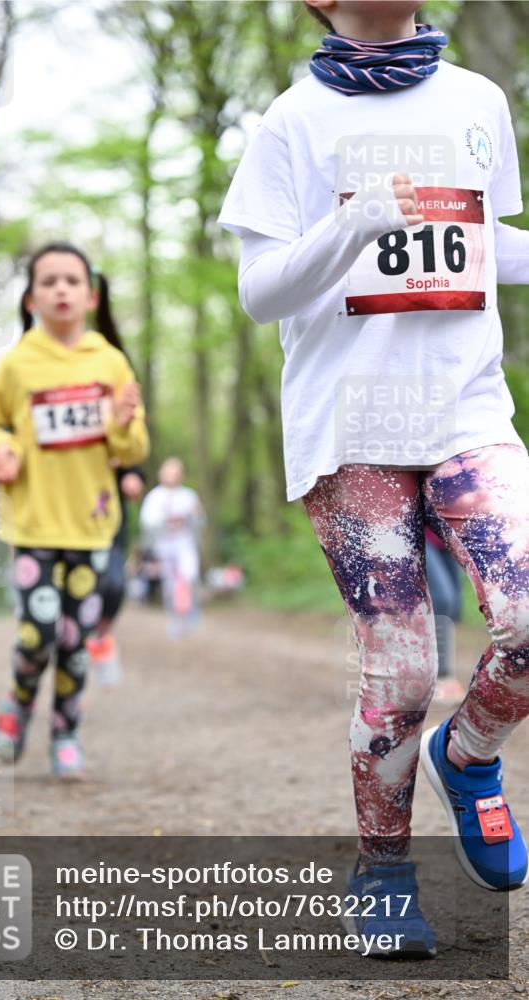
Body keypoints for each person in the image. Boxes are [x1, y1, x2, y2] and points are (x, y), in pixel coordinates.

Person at [219, 0, 529, 956]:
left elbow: (482, 247)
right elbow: (260, 288)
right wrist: (352, 227)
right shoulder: (291, 121)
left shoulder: (476, 97)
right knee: (397, 677)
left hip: (464, 407)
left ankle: (468, 754)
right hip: (351, 425)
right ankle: (384, 874)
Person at [0, 242, 149, 778]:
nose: (60, 290)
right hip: (32, 523)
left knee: (76, 642)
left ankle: (66, 733)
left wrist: (122, 422)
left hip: (93, 528)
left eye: (71, 280)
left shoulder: (109, 360)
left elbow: (134, 449)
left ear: (91, 294)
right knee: (36, 635)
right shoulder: (15, 363)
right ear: (31, 297)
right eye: (48, 281)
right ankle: (17, 706)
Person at [85, 464, 146, 687]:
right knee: (83, 592)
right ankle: (80, 647)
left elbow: (131, 459)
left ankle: (100, 639)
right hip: (70, 528)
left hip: (110, 529)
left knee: (115, 586)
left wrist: (133, 476)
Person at [139, 458, 205, 636]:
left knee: (189, 576)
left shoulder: (188, 495)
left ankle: (191, 612)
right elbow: (147, 523)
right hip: (164, 545)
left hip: (185, 543)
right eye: (169, 472)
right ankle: (175, 619)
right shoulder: (154, 497)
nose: (172, 477)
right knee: (169, 583)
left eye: (176, 473)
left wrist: (195, 516)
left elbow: (199, 521)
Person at [425, 525, 465, 704]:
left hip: (447, 532)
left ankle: (442, 675)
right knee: (442, 599)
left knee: (454, 605)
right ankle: (438, 677)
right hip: (417, 530)